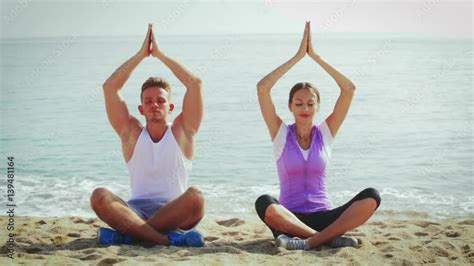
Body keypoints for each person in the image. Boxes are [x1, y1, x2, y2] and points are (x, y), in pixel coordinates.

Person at [254, 22, 381, 250]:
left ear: (318, 107)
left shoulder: (326, 133)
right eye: (299, 103)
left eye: (310, 103)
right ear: (290, 106)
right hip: (289, 218)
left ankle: (307, 242)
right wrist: (297, 57)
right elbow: (263, 88)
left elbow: (349, 89)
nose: (305, 108)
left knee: (372, 196)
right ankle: (324, 240)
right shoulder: (281, 134)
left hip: (325, 217)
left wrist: (315, 56)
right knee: (264, 202)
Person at [90, 24, 205, 247]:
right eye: (148, 101)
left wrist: (160, 55)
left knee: (196, 197)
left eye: (161, 101)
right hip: (135, 211)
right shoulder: (131, 133)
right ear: (141, 109)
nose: (155, 105)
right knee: (99, 196)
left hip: (175, 211)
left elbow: (195, 84)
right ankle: (164, 240)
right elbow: (110, 87)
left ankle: (130, 236)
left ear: (170, 107)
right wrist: (141, 55)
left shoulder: (182, 132)